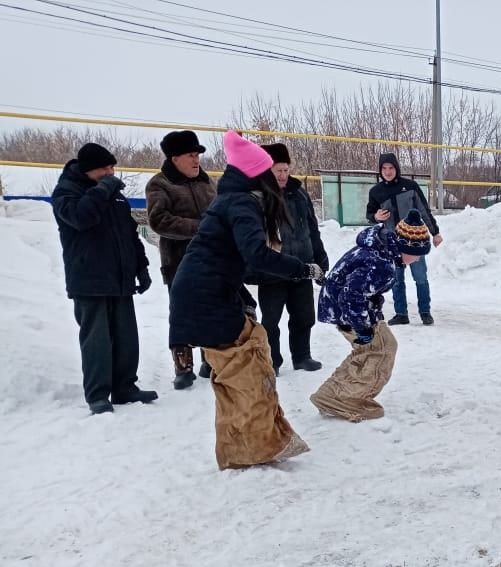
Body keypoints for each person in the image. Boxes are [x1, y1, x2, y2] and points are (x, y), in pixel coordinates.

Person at [169, 131, 325, 469]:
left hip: (204, 293)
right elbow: (256, 254)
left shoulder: (231, 199)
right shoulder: (241, 202)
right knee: (248, 374)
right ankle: (253, 448)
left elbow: (239, 259)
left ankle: (242, 447)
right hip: (207, 297)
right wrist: (301, 269)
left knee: (240, 369)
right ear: (258, 173)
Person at [51, 142, 158, 415]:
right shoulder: (67, 192)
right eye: (105, 168)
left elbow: (130, 234)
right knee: (97, 340)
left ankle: (125, 387)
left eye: (113, 167)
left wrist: (141, 267)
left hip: (120, 278)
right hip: (89, 280)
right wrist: (103, 190)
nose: (111, 173)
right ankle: (98, 394)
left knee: (126, 338)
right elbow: (80, 218)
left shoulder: (116, 196)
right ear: (89, 170)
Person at [310, 210, 429, 421]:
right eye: (418, 253)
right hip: (345, 310)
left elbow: (360, 289)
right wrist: (363, 328)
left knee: (373, 349)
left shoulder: (382, 249)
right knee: (379, 351)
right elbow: (351, 295)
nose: (418, 258)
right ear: (405, 247)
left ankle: (333, 393)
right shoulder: (382, 264)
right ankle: (346, 399)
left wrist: (373, 304)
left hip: (346, 306)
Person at [249, 143, 329, 375]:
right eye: (278, 170)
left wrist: (320, 259)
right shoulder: (259, 197)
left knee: (304, 316)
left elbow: (312, 230)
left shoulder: (299, 193)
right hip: (273, 269)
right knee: (271, 320)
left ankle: (302, 355)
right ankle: (272, 360)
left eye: (285, 170)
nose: (283, 175)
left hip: (302, 267)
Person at [146, 129, 217, 389]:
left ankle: (210, 360)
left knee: (211, 309)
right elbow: (159, 220)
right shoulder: (160, 184)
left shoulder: (207, 182)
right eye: (190, 155)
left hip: (210, 261)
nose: (196, 159)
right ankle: (182, 365)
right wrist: (200, 227)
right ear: (175, 158)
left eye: (198, 154)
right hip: (179, 261)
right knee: (182, 313)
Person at [365, 152, 443, 326]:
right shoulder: (376, 192)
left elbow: (423, 210)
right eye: (384, 168)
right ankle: (401, 313)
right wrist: (376, 216)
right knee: (396, 279)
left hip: (413, 241)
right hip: (391, 242)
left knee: (420, 277)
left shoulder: (410, 186)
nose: (387, 171)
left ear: (396, 168)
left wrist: (435, 232)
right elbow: (369, 215)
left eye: (391, 167)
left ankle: (425, 312)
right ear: (380, 170)